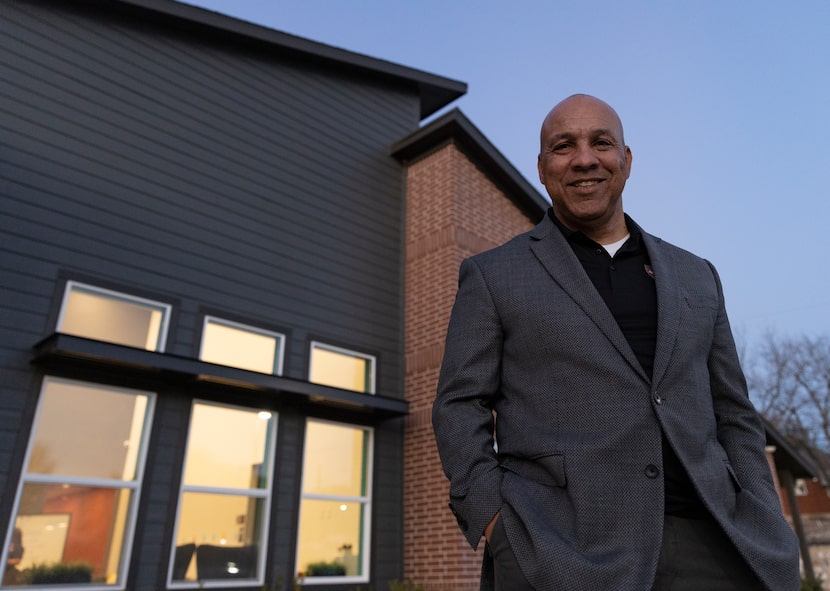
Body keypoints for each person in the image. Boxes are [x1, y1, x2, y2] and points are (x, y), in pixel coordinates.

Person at [432, 94, 800, 591]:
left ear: (626, 160)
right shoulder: (494, 275)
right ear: (542, 168)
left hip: (715, 543)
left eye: (601, 143)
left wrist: (763, 510)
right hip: (559, 550)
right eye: (564, 146)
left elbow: (733, 410)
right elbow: (459, 404)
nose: (585, 158)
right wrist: (496, 522)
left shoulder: (697, 276)